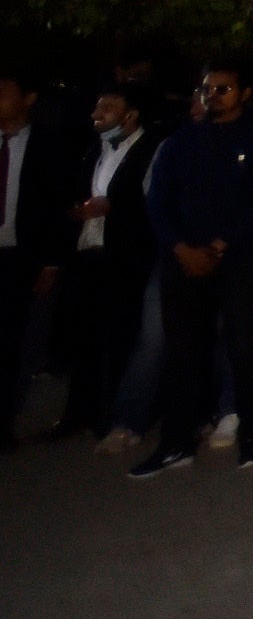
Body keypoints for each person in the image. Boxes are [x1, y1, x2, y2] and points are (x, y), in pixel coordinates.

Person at [135, 60, 253, 477]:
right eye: (207, 89)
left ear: (244, 93)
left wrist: (222, 244)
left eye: (224, 89)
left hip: (241, 260)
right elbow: (158, 199)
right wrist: (180, 246)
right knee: (181, 352)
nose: (213, 96)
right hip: (185, 260)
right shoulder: (181, 140)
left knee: (246, 347)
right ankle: (176, 442)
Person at [53, 83, 159, 442]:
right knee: (84, 337)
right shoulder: (94, 149)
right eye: (98, 108)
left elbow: (153, 205)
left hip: (126, 259)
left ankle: (112, 414)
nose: (97, 115)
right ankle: (78, 413)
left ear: (131, 115)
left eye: (108, 108)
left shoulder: (149, 150)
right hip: (89, 253)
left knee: (119, 337)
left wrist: (114, 208)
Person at [0, 60, 78, 447]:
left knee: (13, 341)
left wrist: (51, 261)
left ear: (28, 99)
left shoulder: (48, 145)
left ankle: (5, 419)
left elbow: (58, 206)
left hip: (21, 254)